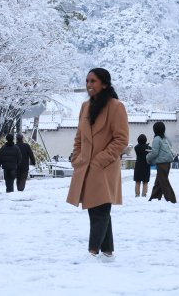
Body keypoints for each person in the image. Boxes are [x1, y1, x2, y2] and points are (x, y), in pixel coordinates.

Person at [66, 68, 129, 261]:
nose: (89, 85)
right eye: (87, 81)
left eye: (93, 81)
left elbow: (121, 139)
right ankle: (107, 251)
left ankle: (92, 252)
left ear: (104, 84)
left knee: (99, 209)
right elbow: (79, 137)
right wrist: (77, 158)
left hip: (104, 167)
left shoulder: (116, 106)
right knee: (98, 208)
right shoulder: (85, 106)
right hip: (85, 166)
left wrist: (100, 160)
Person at [147, 121, 177, 203]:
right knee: (159, 181)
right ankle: (154, 198)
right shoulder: (164, 139)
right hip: (167, 162)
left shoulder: (156, 139)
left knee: (164, 182)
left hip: (162, 163)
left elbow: (154, 152)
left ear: (155, 130)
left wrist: (148, 158)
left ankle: (171, 200)